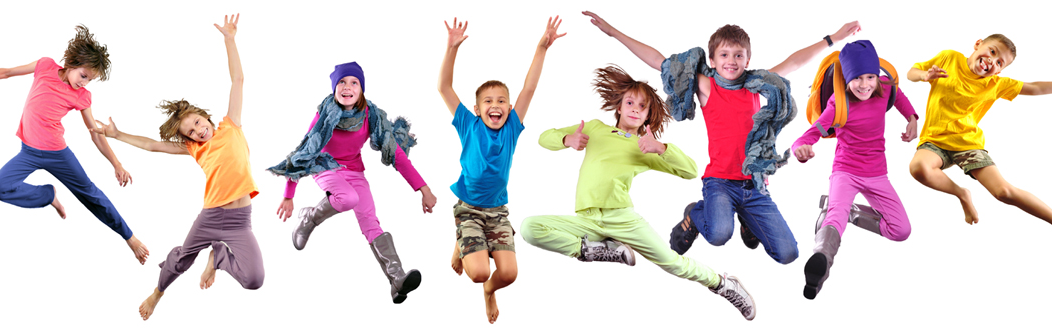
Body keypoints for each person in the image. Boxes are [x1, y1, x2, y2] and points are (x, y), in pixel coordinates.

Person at [582, 11, 860, 264]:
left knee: (788, 254)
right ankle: (694, 213)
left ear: (747, 60)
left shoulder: (755, 86)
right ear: (712, 61)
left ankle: (748, 222)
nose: (731, 61)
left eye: (738, 55)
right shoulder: (707, 86)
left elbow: (795, 62)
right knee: (718, 234)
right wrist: (614, 32)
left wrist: (832, 38)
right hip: (720, 183)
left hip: (754, 185)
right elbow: (659, 61)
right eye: (724, 55)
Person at [521, 65, 756, 321]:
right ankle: (594, 250)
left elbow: (690, 170)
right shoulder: (595, 128)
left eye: (642, 106)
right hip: (587, 220)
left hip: (622, 218)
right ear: (619, 107)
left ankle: (723, 284)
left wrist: (662, 148)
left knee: (672, 263)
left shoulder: (643, 146)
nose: (634, 108)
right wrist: (567, 140)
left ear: (647, 116)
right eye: (630, 102)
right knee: (529, 228)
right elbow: (544, 138)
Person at [89, 14, 261, 320]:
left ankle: (219, 257)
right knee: (183, 259)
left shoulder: (231, 124)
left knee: (253, 279)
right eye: (191, 132)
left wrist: (229, 40)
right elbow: (153, 146)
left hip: (239, 221)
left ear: (205, 117)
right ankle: (157, 293)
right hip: (211, 215)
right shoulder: (194, 148)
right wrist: (117, 135)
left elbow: (238, 80)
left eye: (198, 123)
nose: (198, 131)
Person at [0, 24, 148, 264]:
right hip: (28, 151)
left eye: (90, 80)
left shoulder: (82, 96)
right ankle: (47, 194)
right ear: (72, 63)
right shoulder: (45, 66)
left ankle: (129, 237)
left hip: (57, 154)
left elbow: (94, 132)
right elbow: (9, 72)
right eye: (84, 75)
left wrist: (117, 164)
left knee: (90, 194)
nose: (85, 83)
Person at [906, 34, 1052, 245]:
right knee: (919, 168)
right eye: (993, 51)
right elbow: (911, 73)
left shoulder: (995, 84)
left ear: (1000, 71)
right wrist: (925, 75)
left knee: (1003, 192)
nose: (992, 61)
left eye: (999, 63)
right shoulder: (949, 58)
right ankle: (962, 194)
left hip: (967, 145)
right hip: (934, 141)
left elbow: (1034, 87)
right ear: (978, 44)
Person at [270, 60, 436, 304]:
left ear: (362, 88)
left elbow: (396, 154)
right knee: (347, 198)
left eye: (354, 82)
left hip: (354, 172)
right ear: (334, 88)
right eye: (342, 82)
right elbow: (304, 151)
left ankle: (397, 279)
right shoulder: (324, 114)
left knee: (372, 223)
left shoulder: (371, 115)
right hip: (324, 166)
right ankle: (310, 218)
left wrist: (424, 188)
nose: (347, 87)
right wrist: (288, 195)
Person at [437, 16, 564, 323]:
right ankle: (463, 242)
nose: (496, 105)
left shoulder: (511, 129)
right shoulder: (468, 124)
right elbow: (443, 86)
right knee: (478, 272)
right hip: (468, 209)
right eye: (488, 101)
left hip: (497, 212)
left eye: (502, 101)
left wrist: (542, 47)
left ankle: (489, 292)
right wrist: (452, 47)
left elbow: (529, 88)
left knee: (508, 274)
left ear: (509, 108)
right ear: (478, 108)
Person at [791, 40, 919, 299]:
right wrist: (801, 148)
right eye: (857, 78)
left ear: (877, 75)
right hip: (845, 173)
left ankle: (848, 211)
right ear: (846, 79)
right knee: (834, 219)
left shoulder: (884, 88)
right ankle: (821, 261)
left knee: (901, 230)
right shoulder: (839, 102)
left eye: (870, 76)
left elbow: (900, 97)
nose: (865, 85)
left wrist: (913, 119)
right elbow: (811, 133)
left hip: (877, 174)